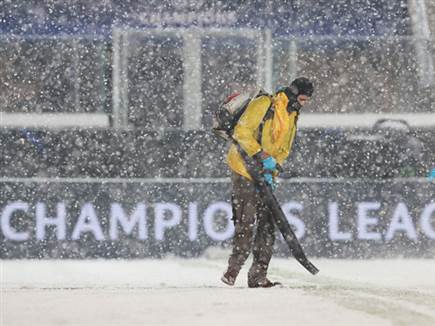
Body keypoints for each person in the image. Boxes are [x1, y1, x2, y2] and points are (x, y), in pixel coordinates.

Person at [221, 77, 314, 288]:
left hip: (264, 173)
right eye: (302, 98)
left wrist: (272, 173)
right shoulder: (265, 104)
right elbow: (241, 132)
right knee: (247, 221)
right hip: (244, 168)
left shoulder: (292, 115)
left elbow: (283, 149)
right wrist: (262, 155)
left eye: (307, 100)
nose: (303, 103)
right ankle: (232, 271)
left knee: (268, 225)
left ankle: (258, 276)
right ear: (293, 92)